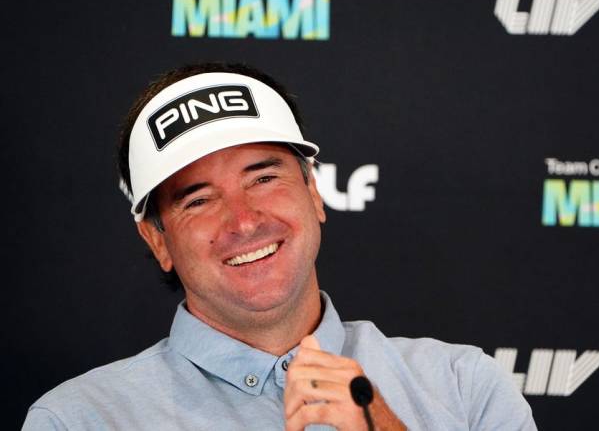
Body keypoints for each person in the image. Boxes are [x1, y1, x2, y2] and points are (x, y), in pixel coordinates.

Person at [22, 63, 537, 430]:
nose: (244, 221)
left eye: (264, 177)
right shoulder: (77, 419)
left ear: (313, 191)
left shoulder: (465, 386)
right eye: (198, 200)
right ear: (158, 239)